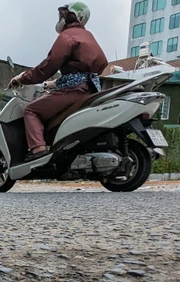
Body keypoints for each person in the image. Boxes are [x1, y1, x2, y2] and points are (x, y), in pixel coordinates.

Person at [8, 2, 107, 163]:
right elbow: (89, 67)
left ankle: (38, 150)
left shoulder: (68, 36)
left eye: (62, 15)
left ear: (71, 17)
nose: (60, 18)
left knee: (31, 111)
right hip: (90, 89)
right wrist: (54, 83)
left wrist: (22, 78)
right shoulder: (87, 35)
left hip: (73, 90)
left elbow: (48, 66)